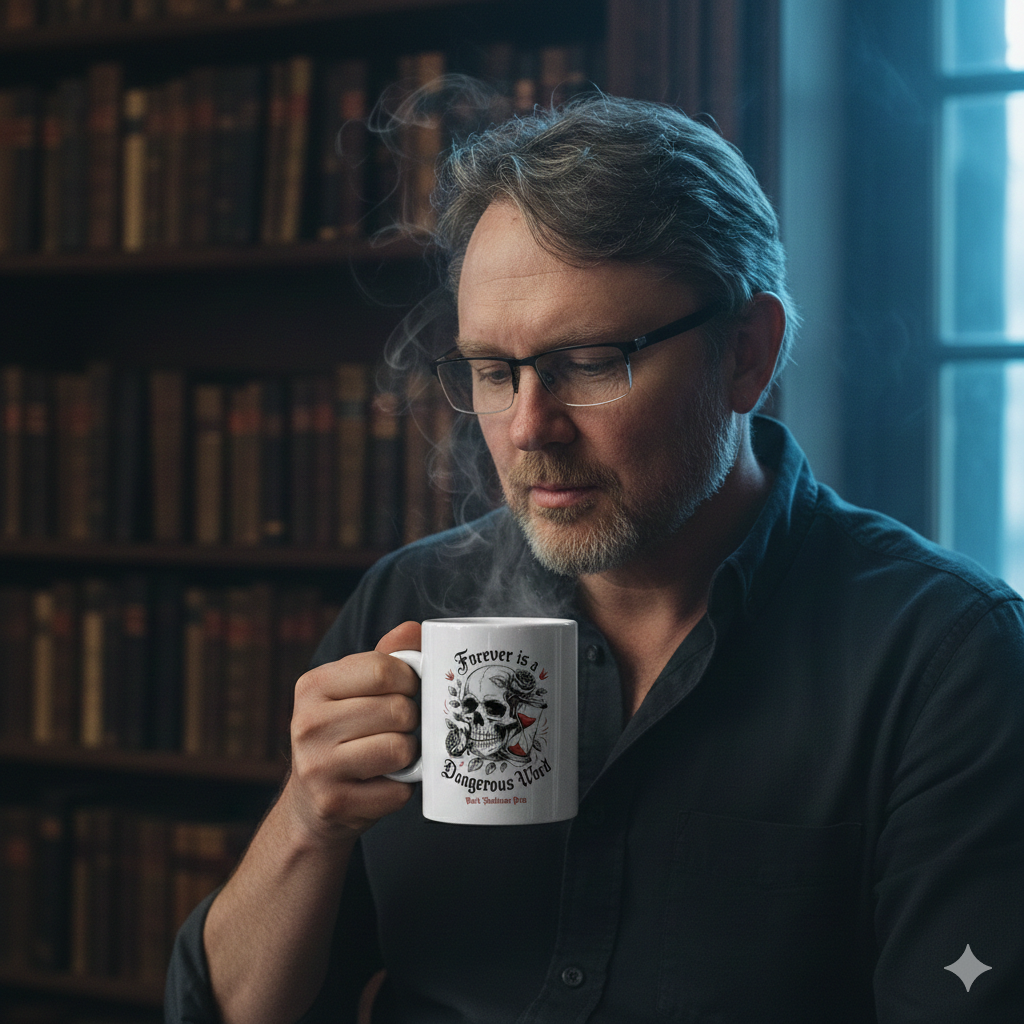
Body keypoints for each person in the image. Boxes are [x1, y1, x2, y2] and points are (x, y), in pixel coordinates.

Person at [166, 94, 1024, 1024]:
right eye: (494, 372)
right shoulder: (415, 601)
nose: (530, 429)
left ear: (747, 354)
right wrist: (307, 821)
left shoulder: (944, 658)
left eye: (588, 360)